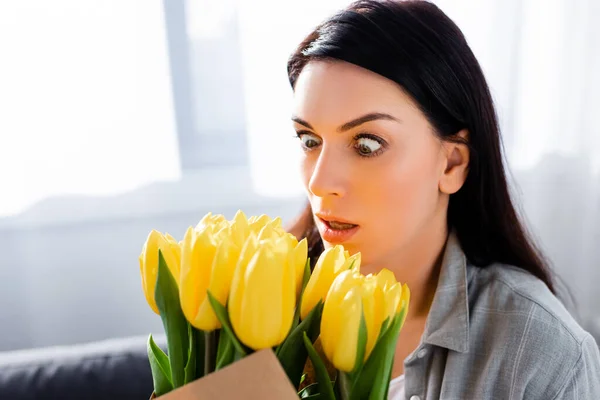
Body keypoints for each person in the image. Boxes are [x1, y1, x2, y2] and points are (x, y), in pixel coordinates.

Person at [285, 1, 600, 398]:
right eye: (309, 140)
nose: (319, 182)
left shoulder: (542, 354)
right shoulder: (260, 305)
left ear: (451, 163)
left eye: (366, 144)